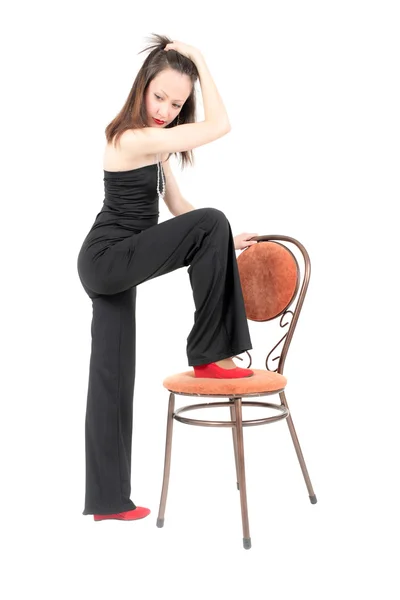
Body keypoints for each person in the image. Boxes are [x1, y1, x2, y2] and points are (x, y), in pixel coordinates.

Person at [76, 34, 258, 522]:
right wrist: (198, 57)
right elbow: (221, 125)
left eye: (177, 104)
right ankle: (209, 355)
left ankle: (109, 503)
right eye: (160, 97)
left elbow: (177, 208)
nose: (166, 110)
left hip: (117, 263)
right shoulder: (130, 138)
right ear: (142, 87)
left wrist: (221, 240)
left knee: (112, 379)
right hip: (107, 257)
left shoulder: (155, 150)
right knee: (211, 222)